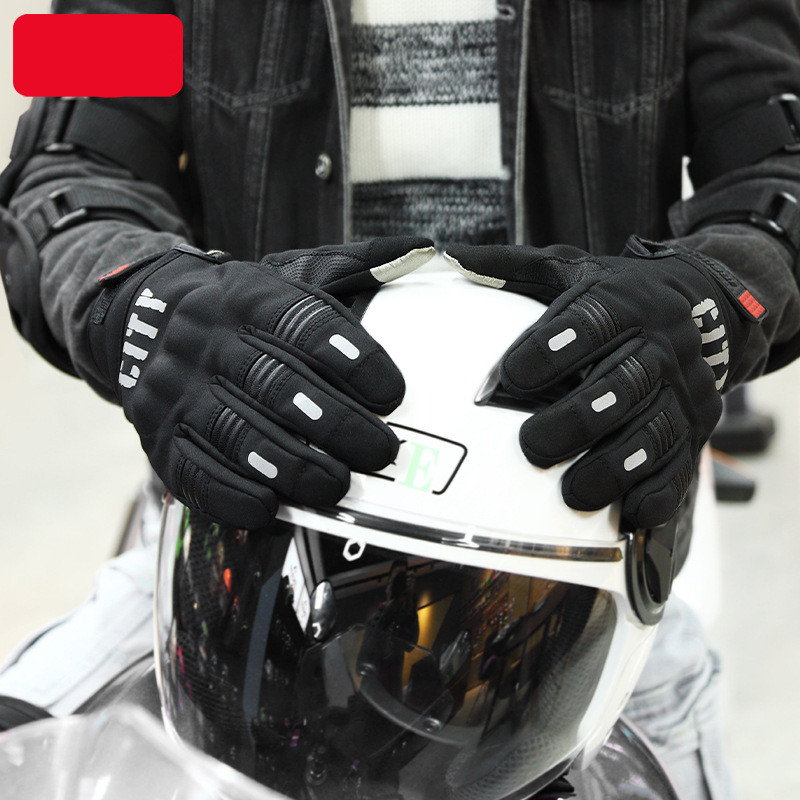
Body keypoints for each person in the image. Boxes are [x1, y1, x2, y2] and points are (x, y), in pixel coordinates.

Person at [1, 1, 800, 797]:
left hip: (582, 583)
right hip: (245, 531)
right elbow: (64, 164)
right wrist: (141, 300)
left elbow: (780, 167)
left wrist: (717, 300)